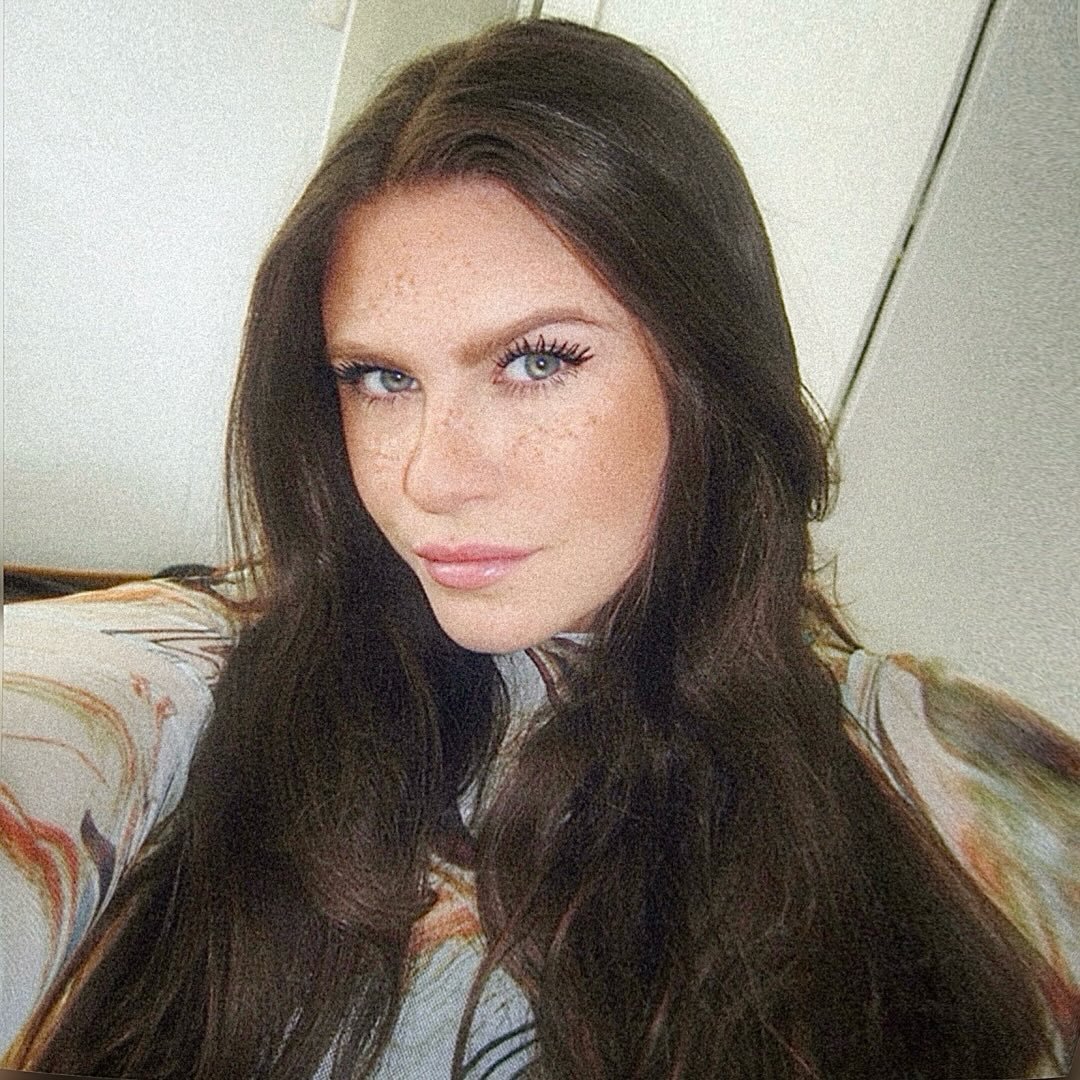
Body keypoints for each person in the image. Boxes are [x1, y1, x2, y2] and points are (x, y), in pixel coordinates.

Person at [2, 17, 1077, 1080]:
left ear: (708, 370)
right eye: (380, 378)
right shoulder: (194, 692)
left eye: (537, 361)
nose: (431, 476)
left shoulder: (947, 774)